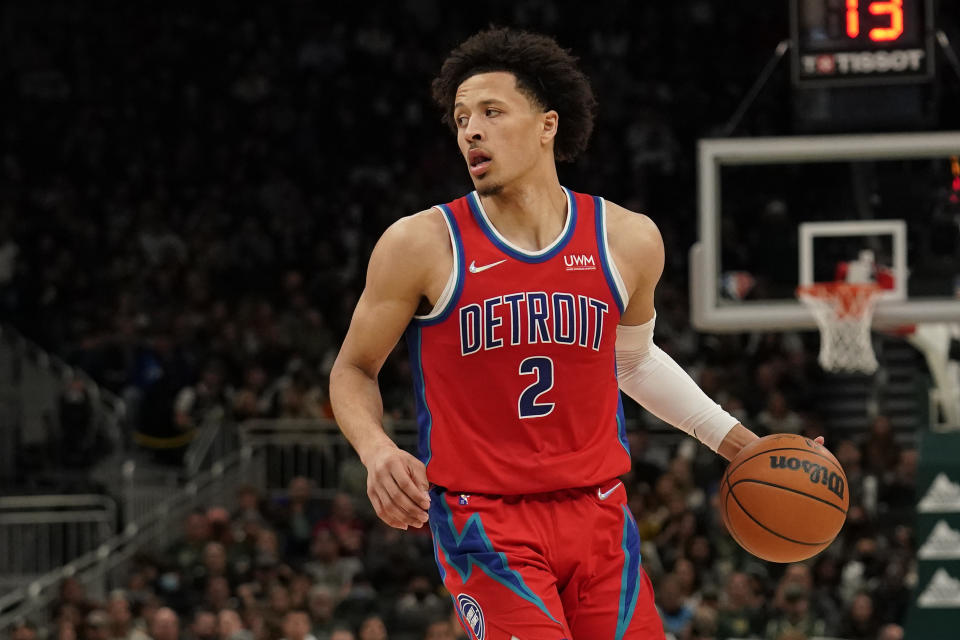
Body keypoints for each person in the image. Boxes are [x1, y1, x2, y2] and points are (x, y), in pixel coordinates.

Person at [330, 26, 817, 639]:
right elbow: (352, 369)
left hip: (600, 515)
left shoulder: (628, 239)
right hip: (486, 524)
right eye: (459, 118)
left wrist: (745, 446)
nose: (469, 131)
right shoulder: (420, 244)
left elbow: (633, 363)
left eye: (490, 111)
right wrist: (377, 452)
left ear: (547, 125)